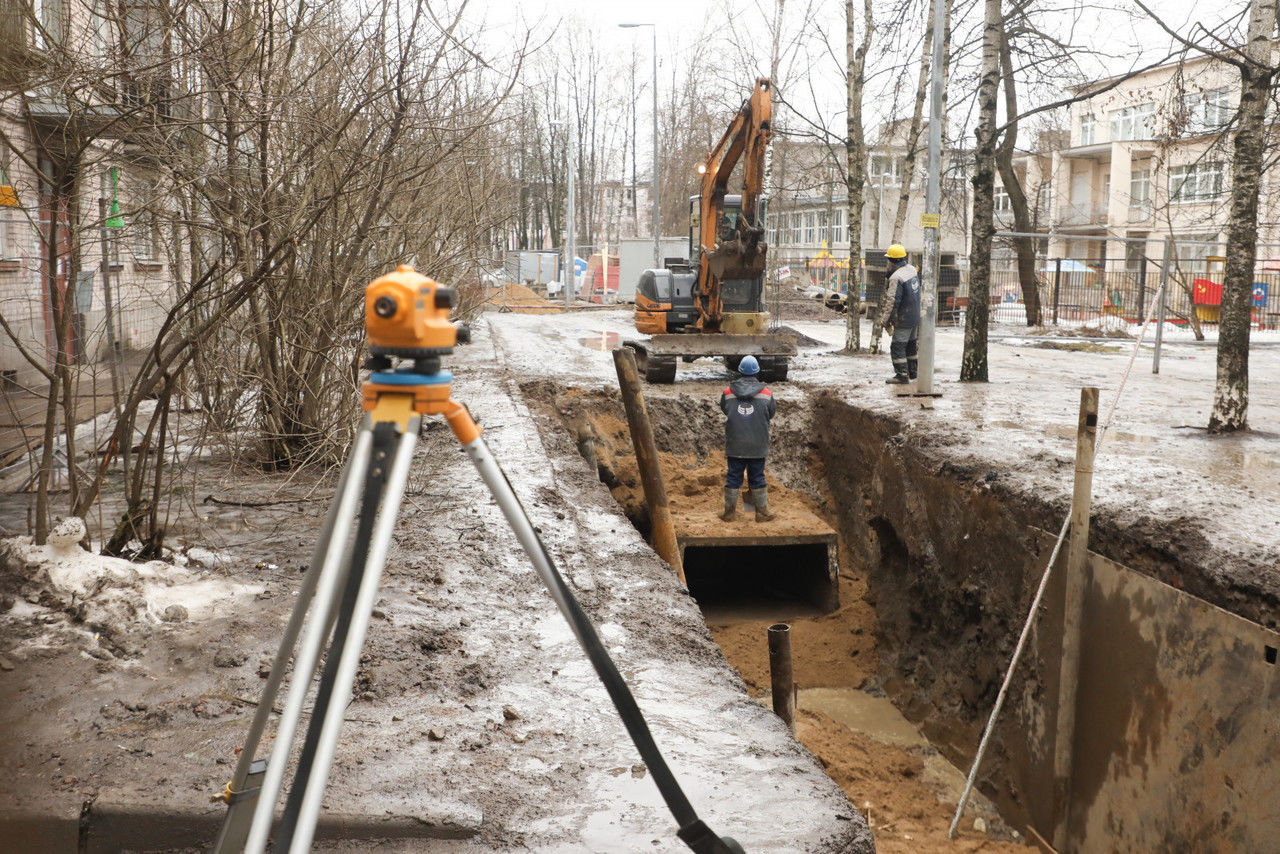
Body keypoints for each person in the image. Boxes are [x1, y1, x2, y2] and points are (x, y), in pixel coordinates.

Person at [719, 355, 777, 522]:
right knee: (757, 477)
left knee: (733, 477)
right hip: (757, 446)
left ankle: (729, 513)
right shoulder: (766, 394)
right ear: (757, 371)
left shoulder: (728, 392)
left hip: (735, 445)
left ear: (740, 371)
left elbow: (725, 409)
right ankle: (761, 513)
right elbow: (771, 413)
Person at [881, 243, 921, 384]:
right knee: (911, 345)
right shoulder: (911, 270)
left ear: (891, 260)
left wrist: (886, 320)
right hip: (915, 315)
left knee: (898, 346)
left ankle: (902, 375)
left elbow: (892, 302)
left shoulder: (896, 278)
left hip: (904, 317)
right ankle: (913, 372)